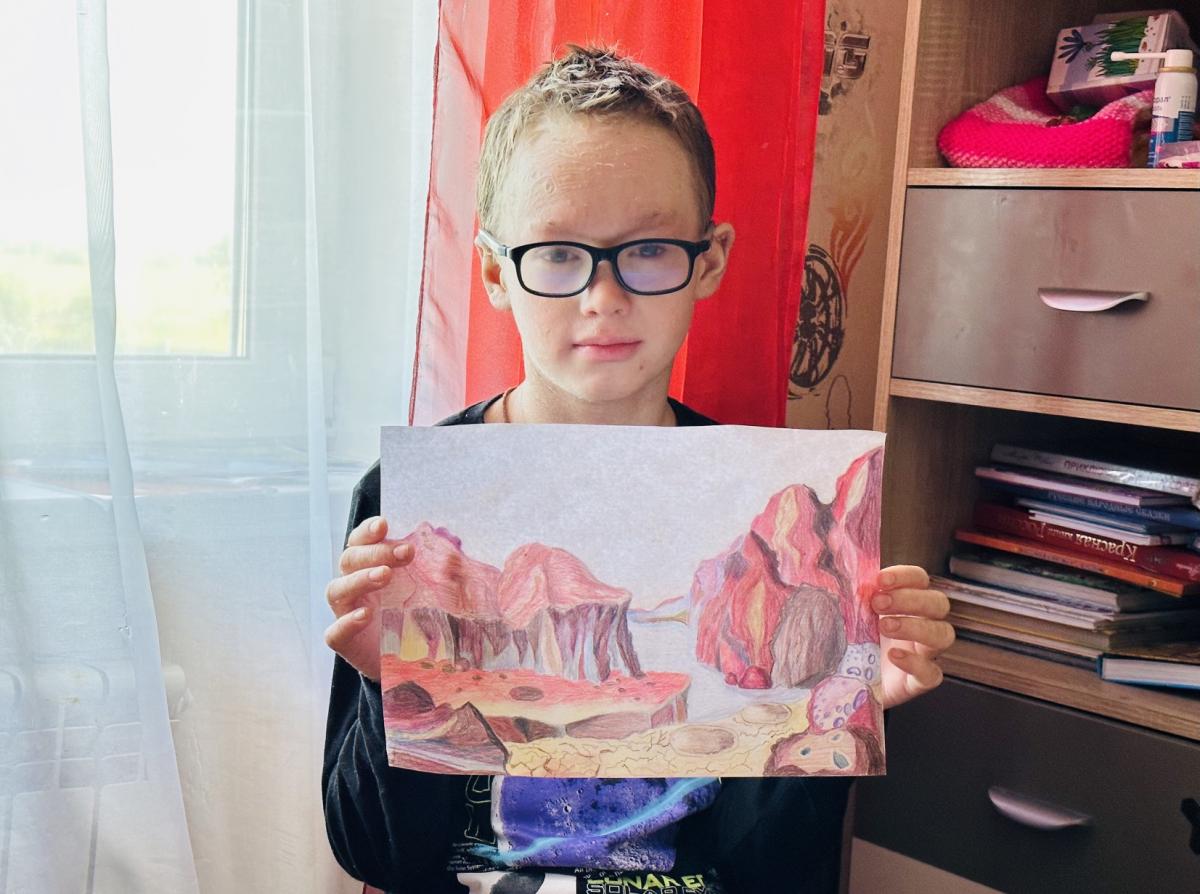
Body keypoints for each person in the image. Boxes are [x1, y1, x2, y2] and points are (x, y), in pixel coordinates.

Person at [322, 45, 954, 894]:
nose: (604, 297)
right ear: (494, 271)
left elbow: (771, 869)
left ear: (711, 258)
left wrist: (843, 703)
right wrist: (384, 683)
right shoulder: (402, 503)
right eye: (556, 252)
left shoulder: (763, 506)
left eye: (649, 249)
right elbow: (376, 856)